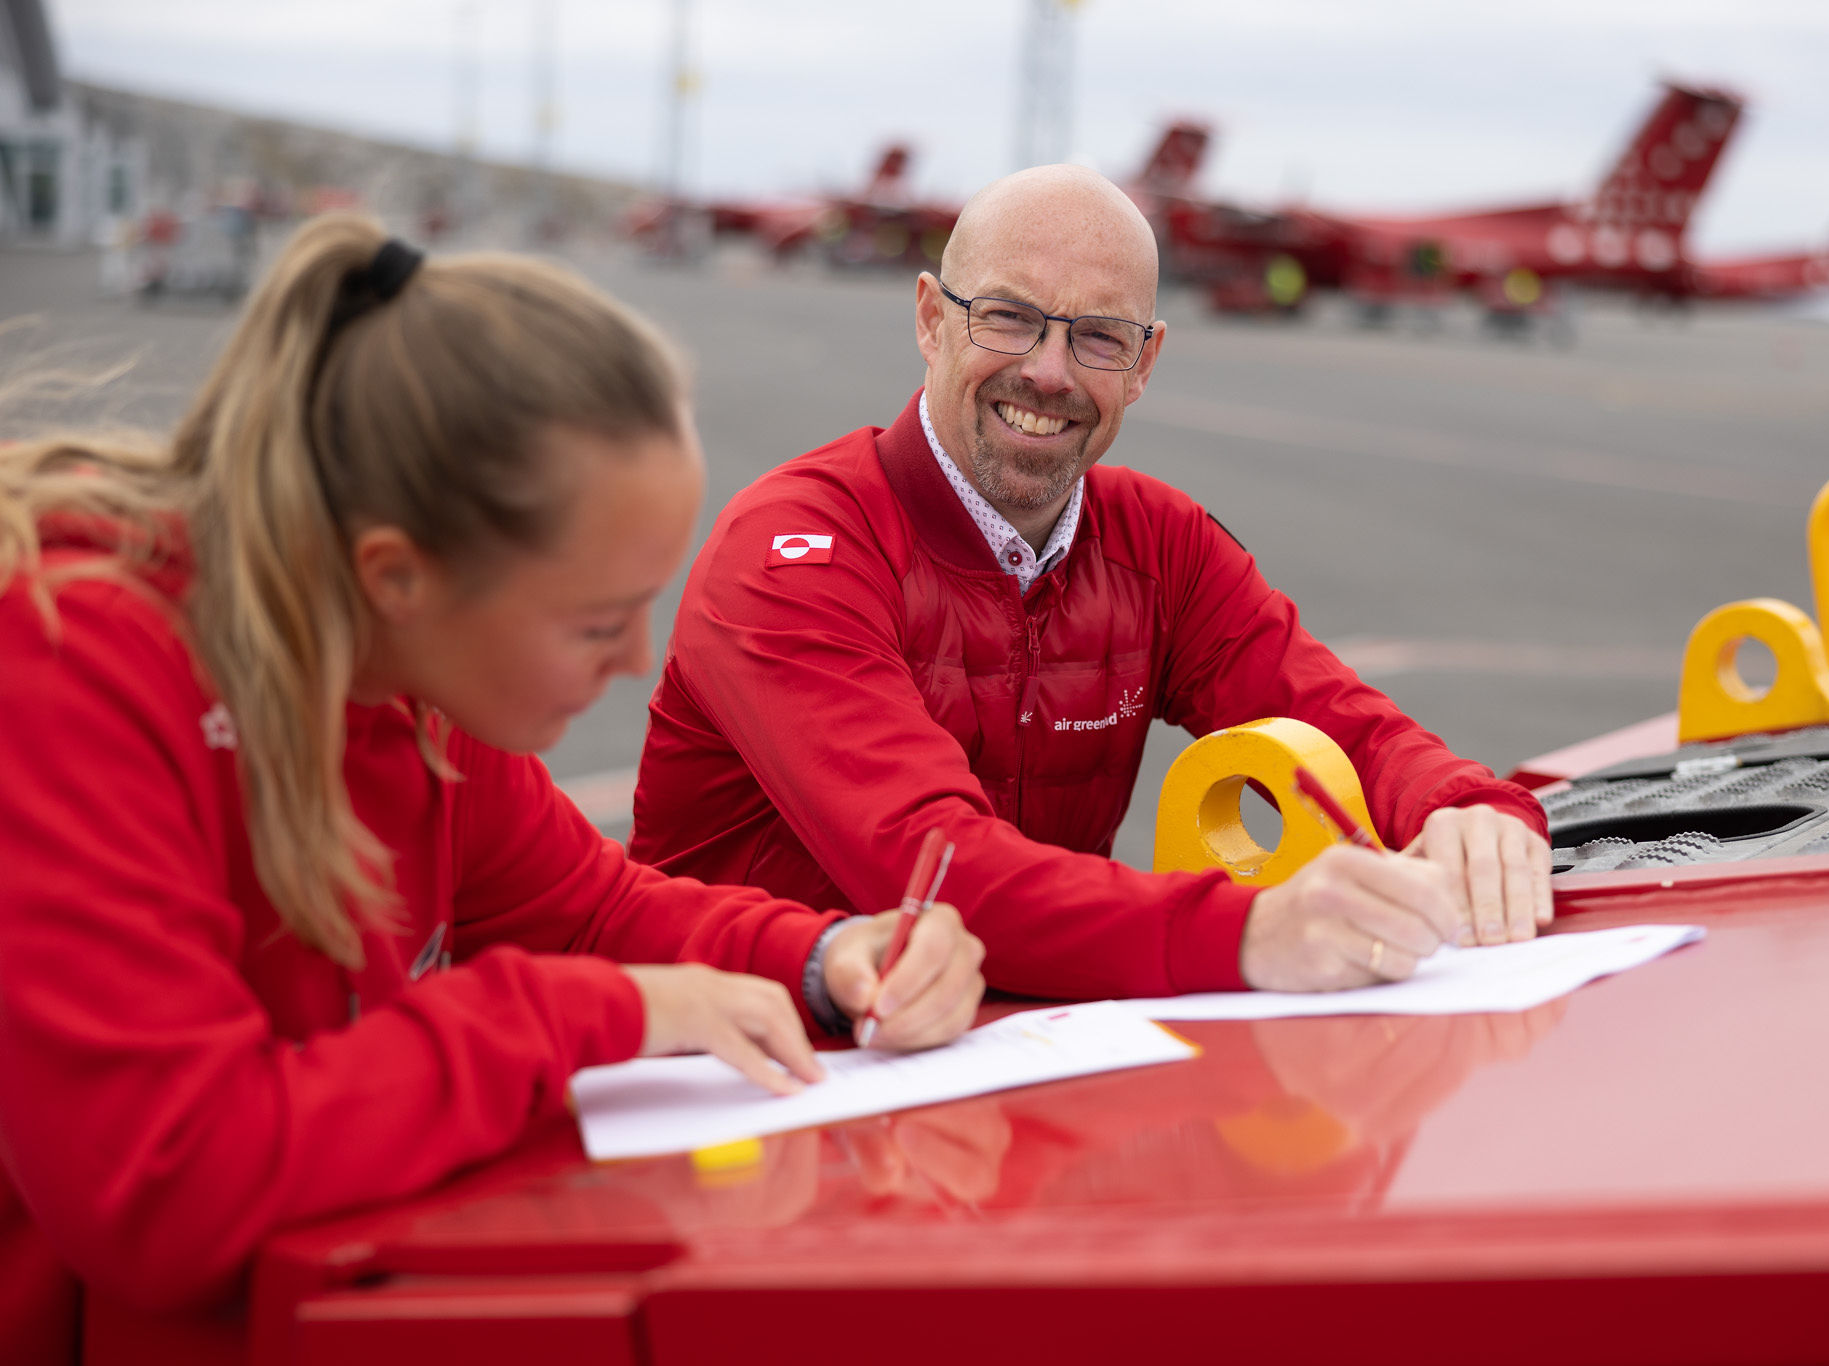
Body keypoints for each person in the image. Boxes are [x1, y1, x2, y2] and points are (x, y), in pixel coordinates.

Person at [0, 215, 985, 1361]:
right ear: (399, 576)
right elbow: (167, 1190)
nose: (633, 663)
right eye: (596, 622)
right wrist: (590, 1016)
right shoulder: (75, 659)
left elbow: (596, 912)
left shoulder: (408, 676)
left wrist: (825, 963)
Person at [631, 165, 1550, 1004]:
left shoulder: (1160, 543)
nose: (1048, 371)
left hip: (1002, 1064)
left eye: (1099, 338)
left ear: (1144, 364)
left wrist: (1471, 809)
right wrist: (1254, 933)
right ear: (929, 318)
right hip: (744, 1085)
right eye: (1008, 316)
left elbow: (1347, 727)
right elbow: (932, 873)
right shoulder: (796, 549)